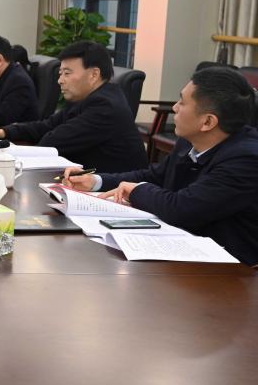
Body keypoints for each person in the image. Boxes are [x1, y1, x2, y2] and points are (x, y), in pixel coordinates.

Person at [63, 67, 258, 265]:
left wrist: (137, 191)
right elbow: (155, 175)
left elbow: (181, 209)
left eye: (182, 102)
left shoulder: (246, 160)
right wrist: (96, 181)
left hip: (232, 270)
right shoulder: (190, 140)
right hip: (185, 249)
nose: (175, 107)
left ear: (207, 122)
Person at [0, 41, 148, 173]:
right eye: (60, 73)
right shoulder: (86, 98)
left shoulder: (105, 107)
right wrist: (3, 132)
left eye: (67, 73)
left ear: (94, 74)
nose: (60, 80)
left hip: (115, 194)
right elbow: (47, 125)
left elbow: (51, 142)